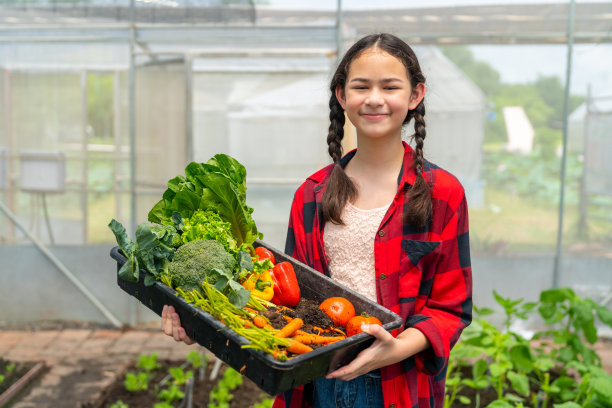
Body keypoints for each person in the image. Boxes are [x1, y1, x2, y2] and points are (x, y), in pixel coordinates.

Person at [161, 33, 472, 408]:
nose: (374, 98)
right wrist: (204, 321)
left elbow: (450, 308)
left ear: (415, 95)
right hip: (317, 381)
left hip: (398, 385)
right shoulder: (311, 195)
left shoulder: (442, 193)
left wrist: (395, 348)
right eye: (361, 86)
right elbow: (290, 299)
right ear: (342, 96)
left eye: (390, 86)